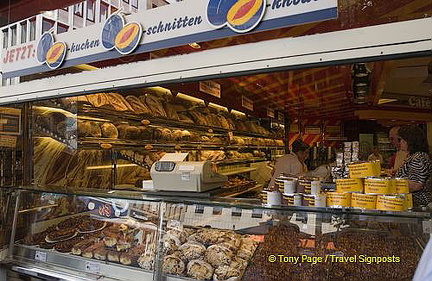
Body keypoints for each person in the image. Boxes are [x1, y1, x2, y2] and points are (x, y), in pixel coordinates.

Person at [395, 125, 432, 206]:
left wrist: (391, 184)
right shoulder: (416, 156)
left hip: (418, 203)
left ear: (409, 140)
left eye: (400, 139)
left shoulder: (419, 157)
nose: (399, 142)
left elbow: (416, 185)